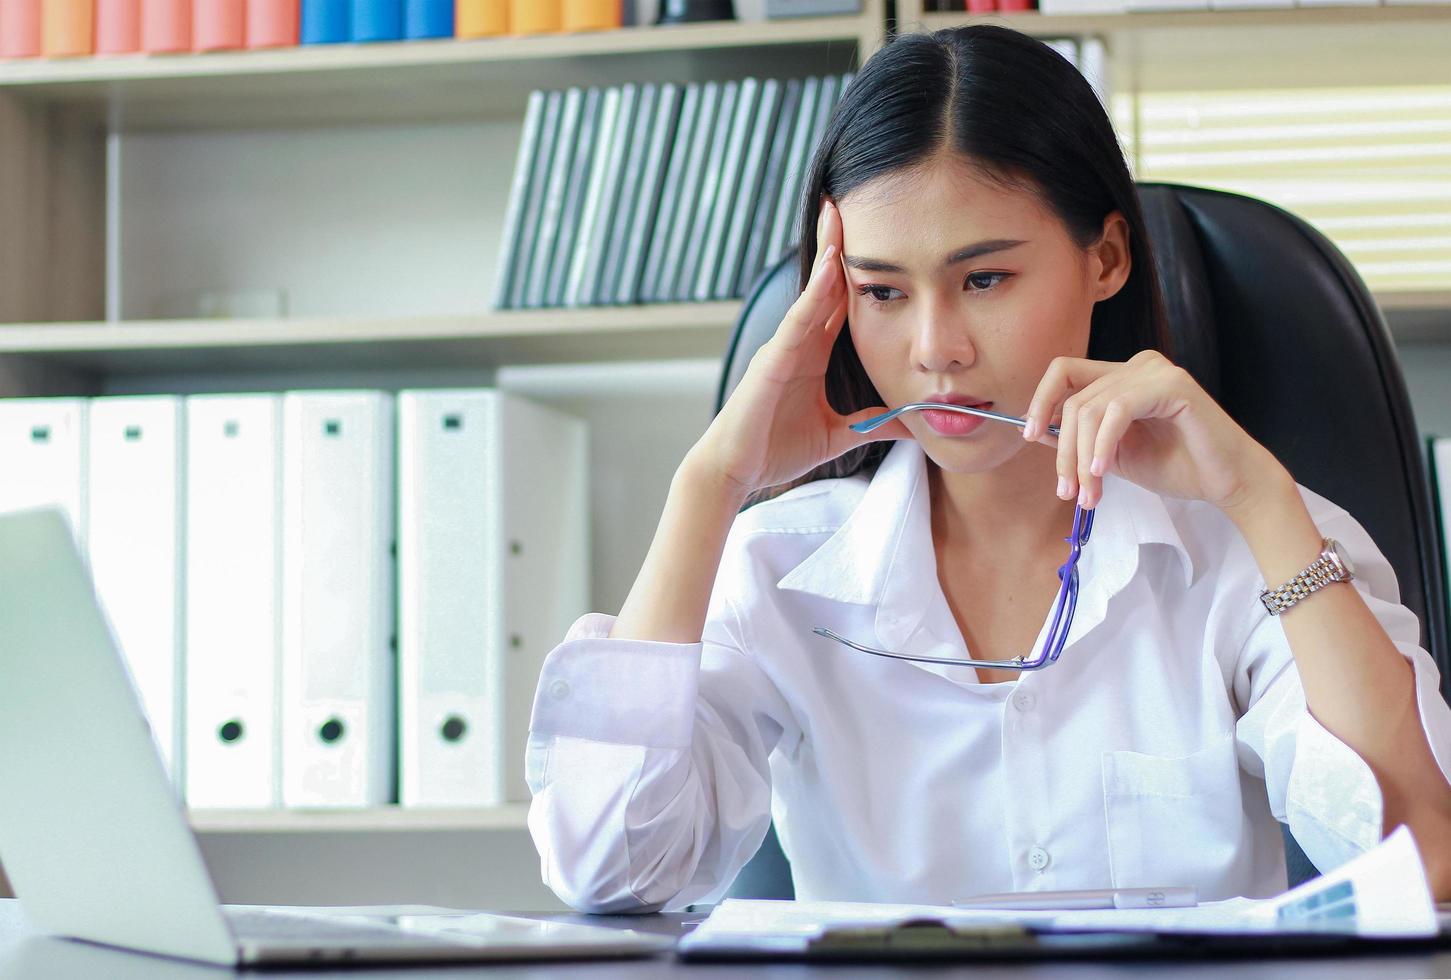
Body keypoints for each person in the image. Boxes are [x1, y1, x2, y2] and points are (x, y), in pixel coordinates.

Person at [523, 24, 1451, 913]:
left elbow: (1425, 859)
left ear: (1106, 258)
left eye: (983, 280)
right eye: (882, 292)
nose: (936, 350)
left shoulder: (1254, 547)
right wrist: (709, 485)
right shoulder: (776, 568)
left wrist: (1255, 493)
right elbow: (611, 868)